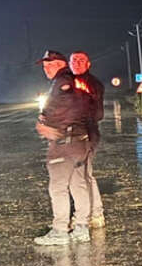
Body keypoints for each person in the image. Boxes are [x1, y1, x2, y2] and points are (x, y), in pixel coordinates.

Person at [33, 50, 96, 245]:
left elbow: (68, 106)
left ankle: (60, 230)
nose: (46, 69)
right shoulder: (78, 80)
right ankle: (82, 228)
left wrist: (50, 125)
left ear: (61, 64)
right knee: (78, 184)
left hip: (65, 142)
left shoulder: (62, 83)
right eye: (44, 66)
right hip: (81, 140)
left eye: (50, 65)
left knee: (58, 187)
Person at [68, 51, 106, 228]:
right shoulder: (66, 83)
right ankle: (94, 214)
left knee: (80, 177)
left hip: (85, 136)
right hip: (70, 136)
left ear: (88, 64)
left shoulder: (92, 84)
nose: (77, 63)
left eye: (81, 60)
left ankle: (89, 215)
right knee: (81, 176)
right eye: (74, 60)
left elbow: (98, 113)